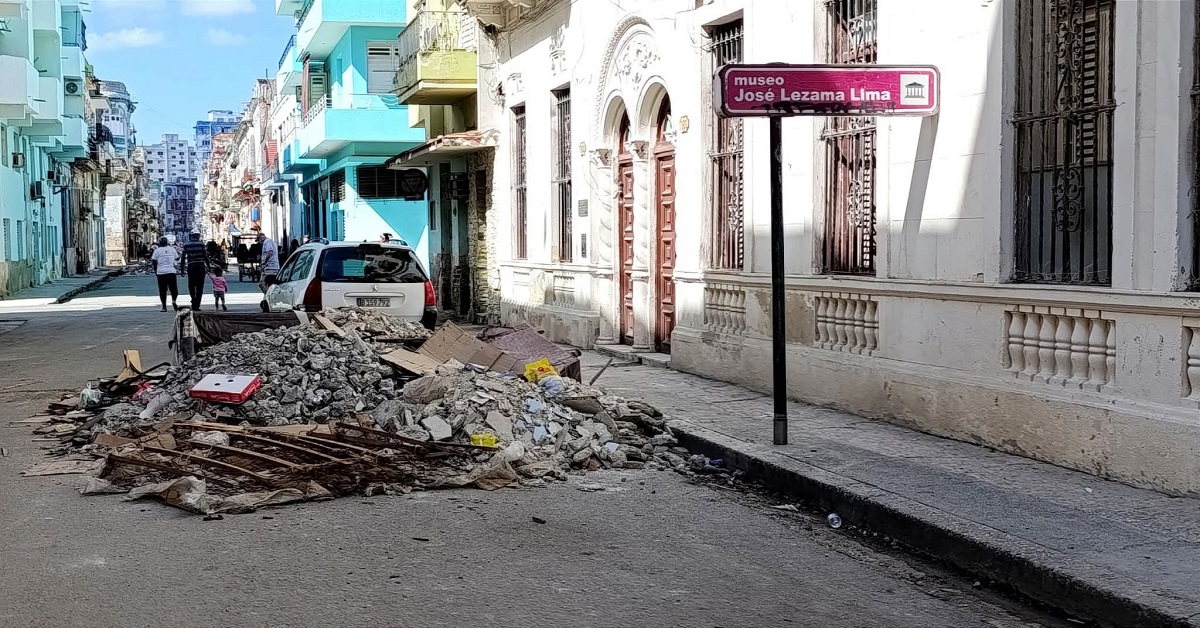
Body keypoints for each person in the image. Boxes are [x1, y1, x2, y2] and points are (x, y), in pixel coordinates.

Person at [149, 236, 180, 312]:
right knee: (174, 289)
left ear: (159, 243)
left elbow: (154, 261)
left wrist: (156, 270)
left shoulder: (157, 251)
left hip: (161, 272)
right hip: (171, 271)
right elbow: (177, 258)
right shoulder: (172, 249)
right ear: (167, 242)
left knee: (162, 290)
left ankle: (164, 307)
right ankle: (174, 301)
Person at [181, 231, 210, 310]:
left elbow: (183, 257)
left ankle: (193, 299)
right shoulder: (201, 244)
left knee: (191, 285)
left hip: (191, 266)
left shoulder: (186, 244)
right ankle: (197, 305)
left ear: (191, 236)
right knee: (200, 286)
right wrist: (208, 266)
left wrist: (182, 269)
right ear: (198, 236)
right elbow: (205, 256)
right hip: (200, 266)